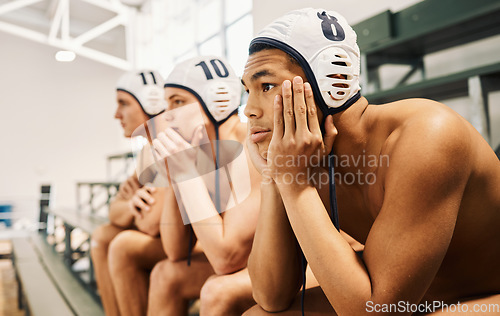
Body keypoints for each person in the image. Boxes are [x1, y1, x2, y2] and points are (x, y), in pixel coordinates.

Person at [242, 8, 500, 315]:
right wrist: (275, 178)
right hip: (422, 294)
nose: (248, 110)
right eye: (247, 90)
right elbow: (271, 296)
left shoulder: (427, 134)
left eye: (266, 86)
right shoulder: (304, 157)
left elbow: (374, 312)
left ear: (332, 81)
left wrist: (296, 186)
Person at [147, 56, 261, 316]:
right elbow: (176, 251)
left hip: (303, 264)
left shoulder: (251, 146)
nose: (168, 116)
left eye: (178, 102)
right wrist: (175, 175)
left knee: (217, 291)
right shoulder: (201, 151)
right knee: (166, 274)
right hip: (253, 263)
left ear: (217, 102)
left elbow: (226, 259)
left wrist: (186, 173)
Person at [90, 70, 168, 316]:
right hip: (166, 239)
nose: (116, 114)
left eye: (123, 103)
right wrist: (132, 203)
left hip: (191, 245)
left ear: (152, 102)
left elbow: (151, 224)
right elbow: (115, 211)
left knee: (122, 245)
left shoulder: (171, 142)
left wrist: (130, 206)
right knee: (102, 235)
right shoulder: (148, 151)